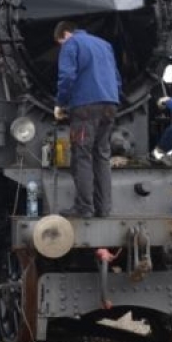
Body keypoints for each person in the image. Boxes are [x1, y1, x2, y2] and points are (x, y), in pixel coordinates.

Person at [53, 20, 121, 218]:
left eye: (59, 43)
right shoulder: (104, 45)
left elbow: (67, 76)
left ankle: (84, 208)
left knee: (82, 155)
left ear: (65, 34)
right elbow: (117, 79)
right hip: (110, 104)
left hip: (85, 107)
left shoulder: (71, 44)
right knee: (102, 155)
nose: (61, 47)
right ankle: (104, 208)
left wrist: (61, 103)